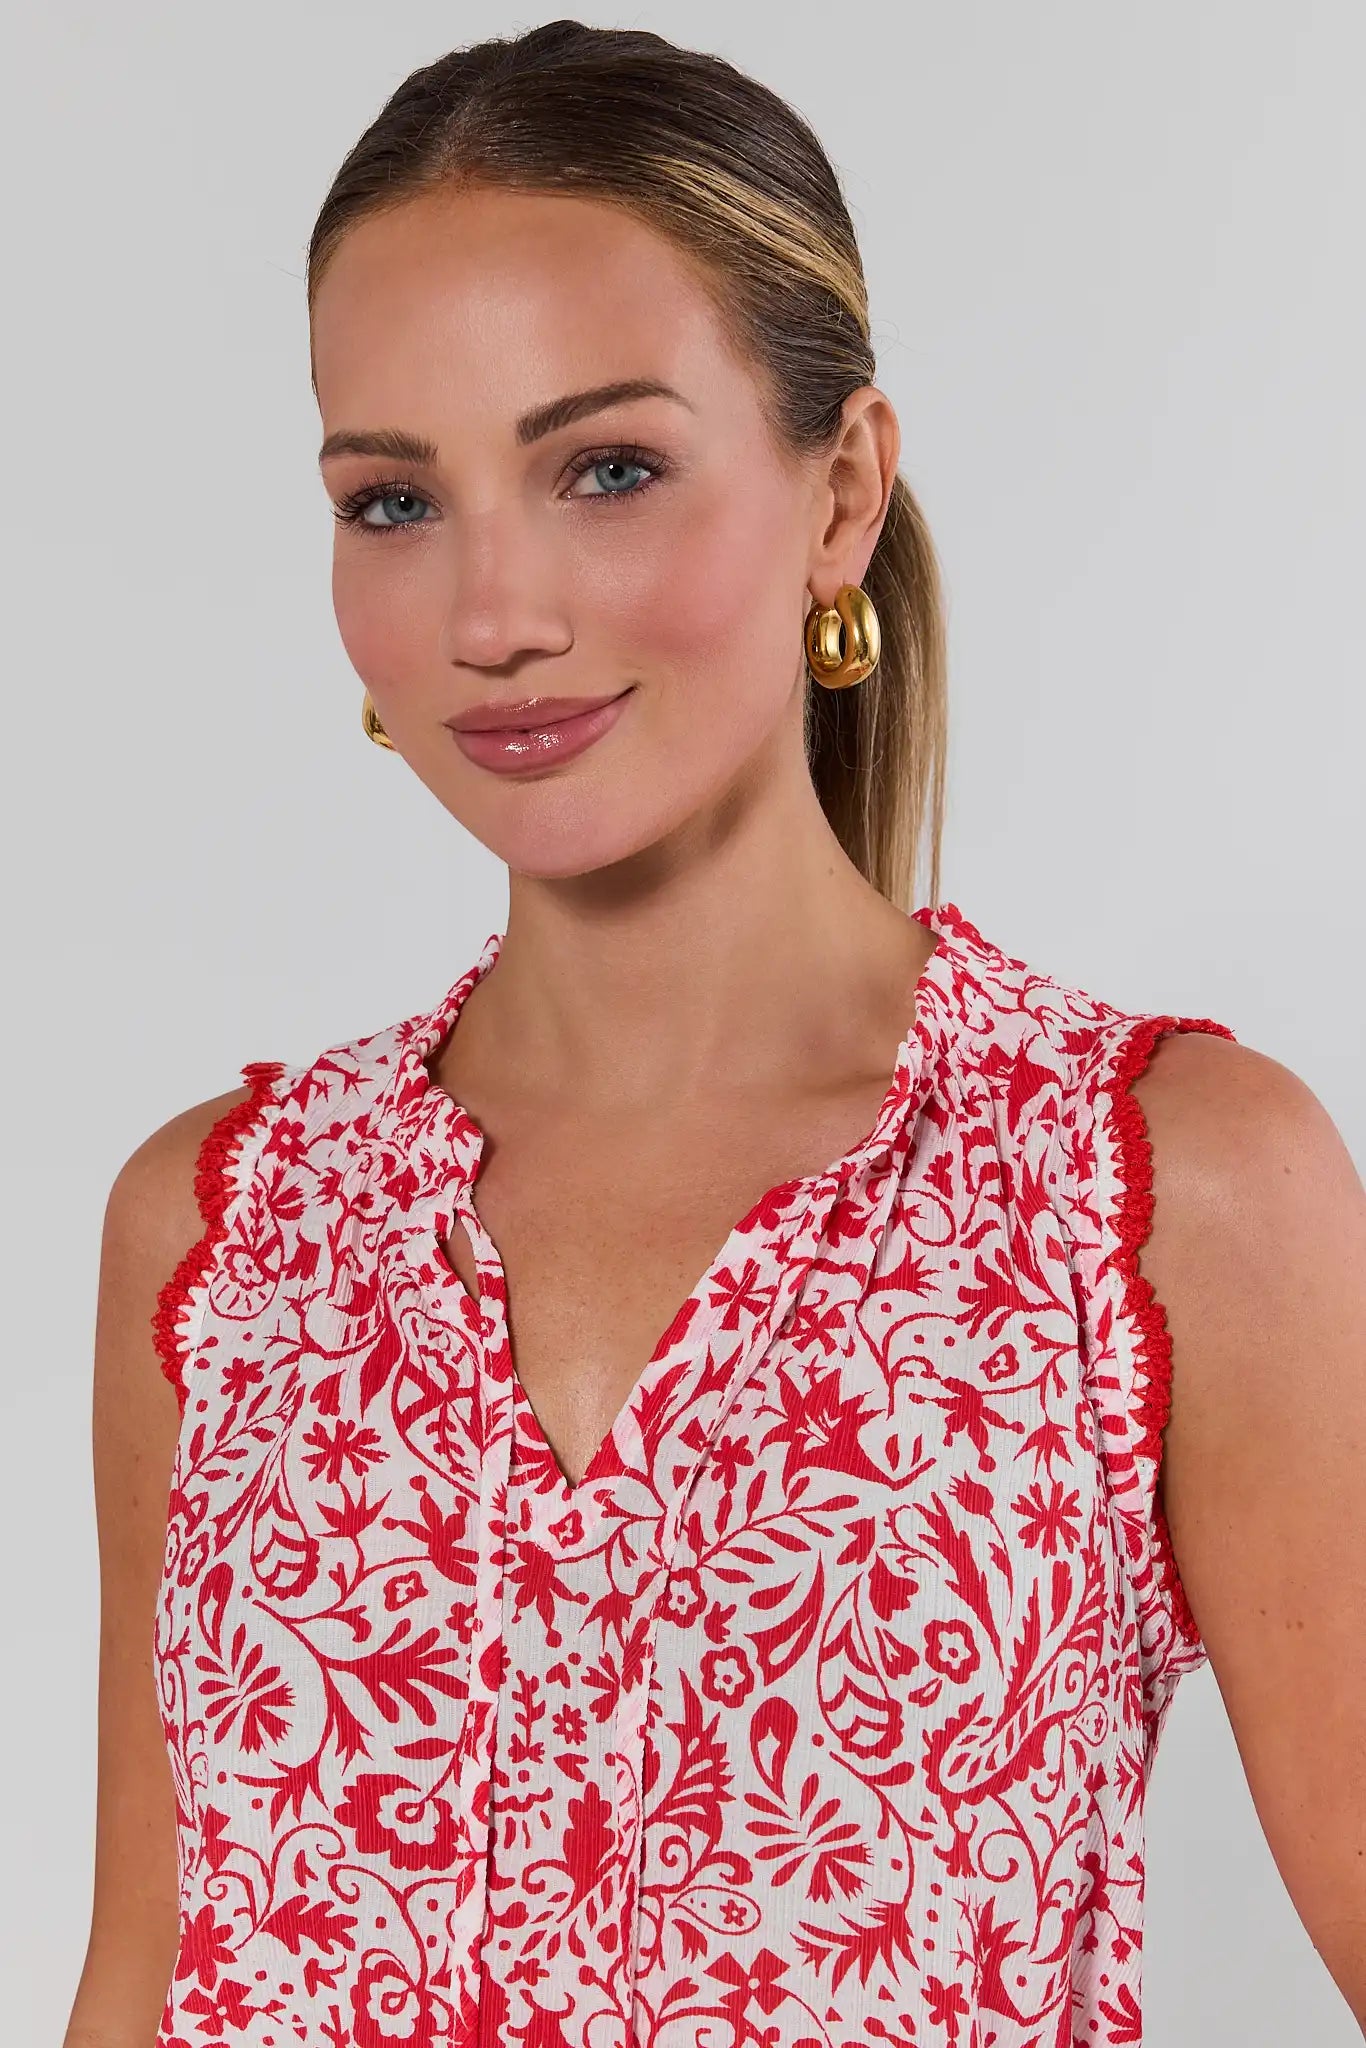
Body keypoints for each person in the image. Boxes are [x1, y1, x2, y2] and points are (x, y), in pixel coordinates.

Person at [64, 20, 1366, 2048]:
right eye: (392, 499)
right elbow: (140, 1992)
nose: (490, 611)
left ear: (836, 490)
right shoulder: (221, 1235)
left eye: (603, 469)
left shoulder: (1152, 1185)